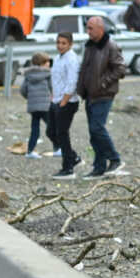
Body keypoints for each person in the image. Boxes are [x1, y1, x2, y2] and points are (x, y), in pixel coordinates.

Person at [76, 16, 126, 178]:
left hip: (103, 94)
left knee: (97, 128)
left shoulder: (110, 46)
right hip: (90, 94)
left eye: (91, 28)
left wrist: (103, 83)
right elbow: (85, 68)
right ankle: (99, 166)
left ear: (100, 29)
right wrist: (81, 88)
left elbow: (120, 69)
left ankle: (115, 159)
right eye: (87, 28)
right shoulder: (90, 46)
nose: (88, 31)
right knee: (93, 132)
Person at [50, 32, 83, 179]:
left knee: (62, 134)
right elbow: (56, 79)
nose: (60, 46)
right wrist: (53, 97)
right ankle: (73, 157)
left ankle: (68, 168)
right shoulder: (57, 58)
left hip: (68, 102)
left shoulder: (72, 59)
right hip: (56, 100)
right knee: (51, 132)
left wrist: (64, 101)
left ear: (70, 44)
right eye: (58, 42)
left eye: (63, 43)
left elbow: (72, 82)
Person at [19, 52, 53, 158]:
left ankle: (30, 151)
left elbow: (23, 90)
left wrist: (30, 98)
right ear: (43, 63)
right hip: (45, 106)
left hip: (33, 107)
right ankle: (58, 147)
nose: (49, 64)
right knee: (52, 127)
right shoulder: (48, 75)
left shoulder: (28, 75)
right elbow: (52, 88)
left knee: (35, 129)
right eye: (47, 62)